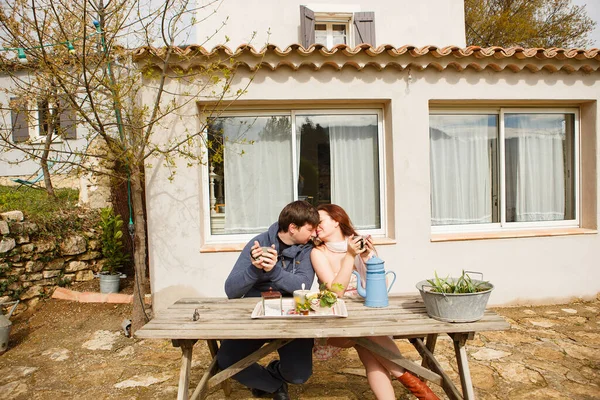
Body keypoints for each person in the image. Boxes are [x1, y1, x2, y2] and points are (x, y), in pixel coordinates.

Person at [310, 204, 439, 400]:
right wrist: (350, 256)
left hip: (366, 318)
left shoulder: (358, 245)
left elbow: (380, 290)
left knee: (371, 355)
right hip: (336, 323)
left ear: (336, 220)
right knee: (370, 337)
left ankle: (412, 392)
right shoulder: (318, 253)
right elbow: (337, 292)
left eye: (320, 222)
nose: (316, 227)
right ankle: (419, 388)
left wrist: (368, 257)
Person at [217, 200, 320, 400]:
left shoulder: (306, 249)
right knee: (227, 359)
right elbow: (231, 290)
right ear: (292, 228)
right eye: (310, 229)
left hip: (292, 312)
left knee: (299, 375)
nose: (314, 233)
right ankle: (273, 385)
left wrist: (273, 270)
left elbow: (303, 286)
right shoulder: (259, 243)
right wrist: (254, 268)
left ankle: (275, 370)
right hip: (257, 310)